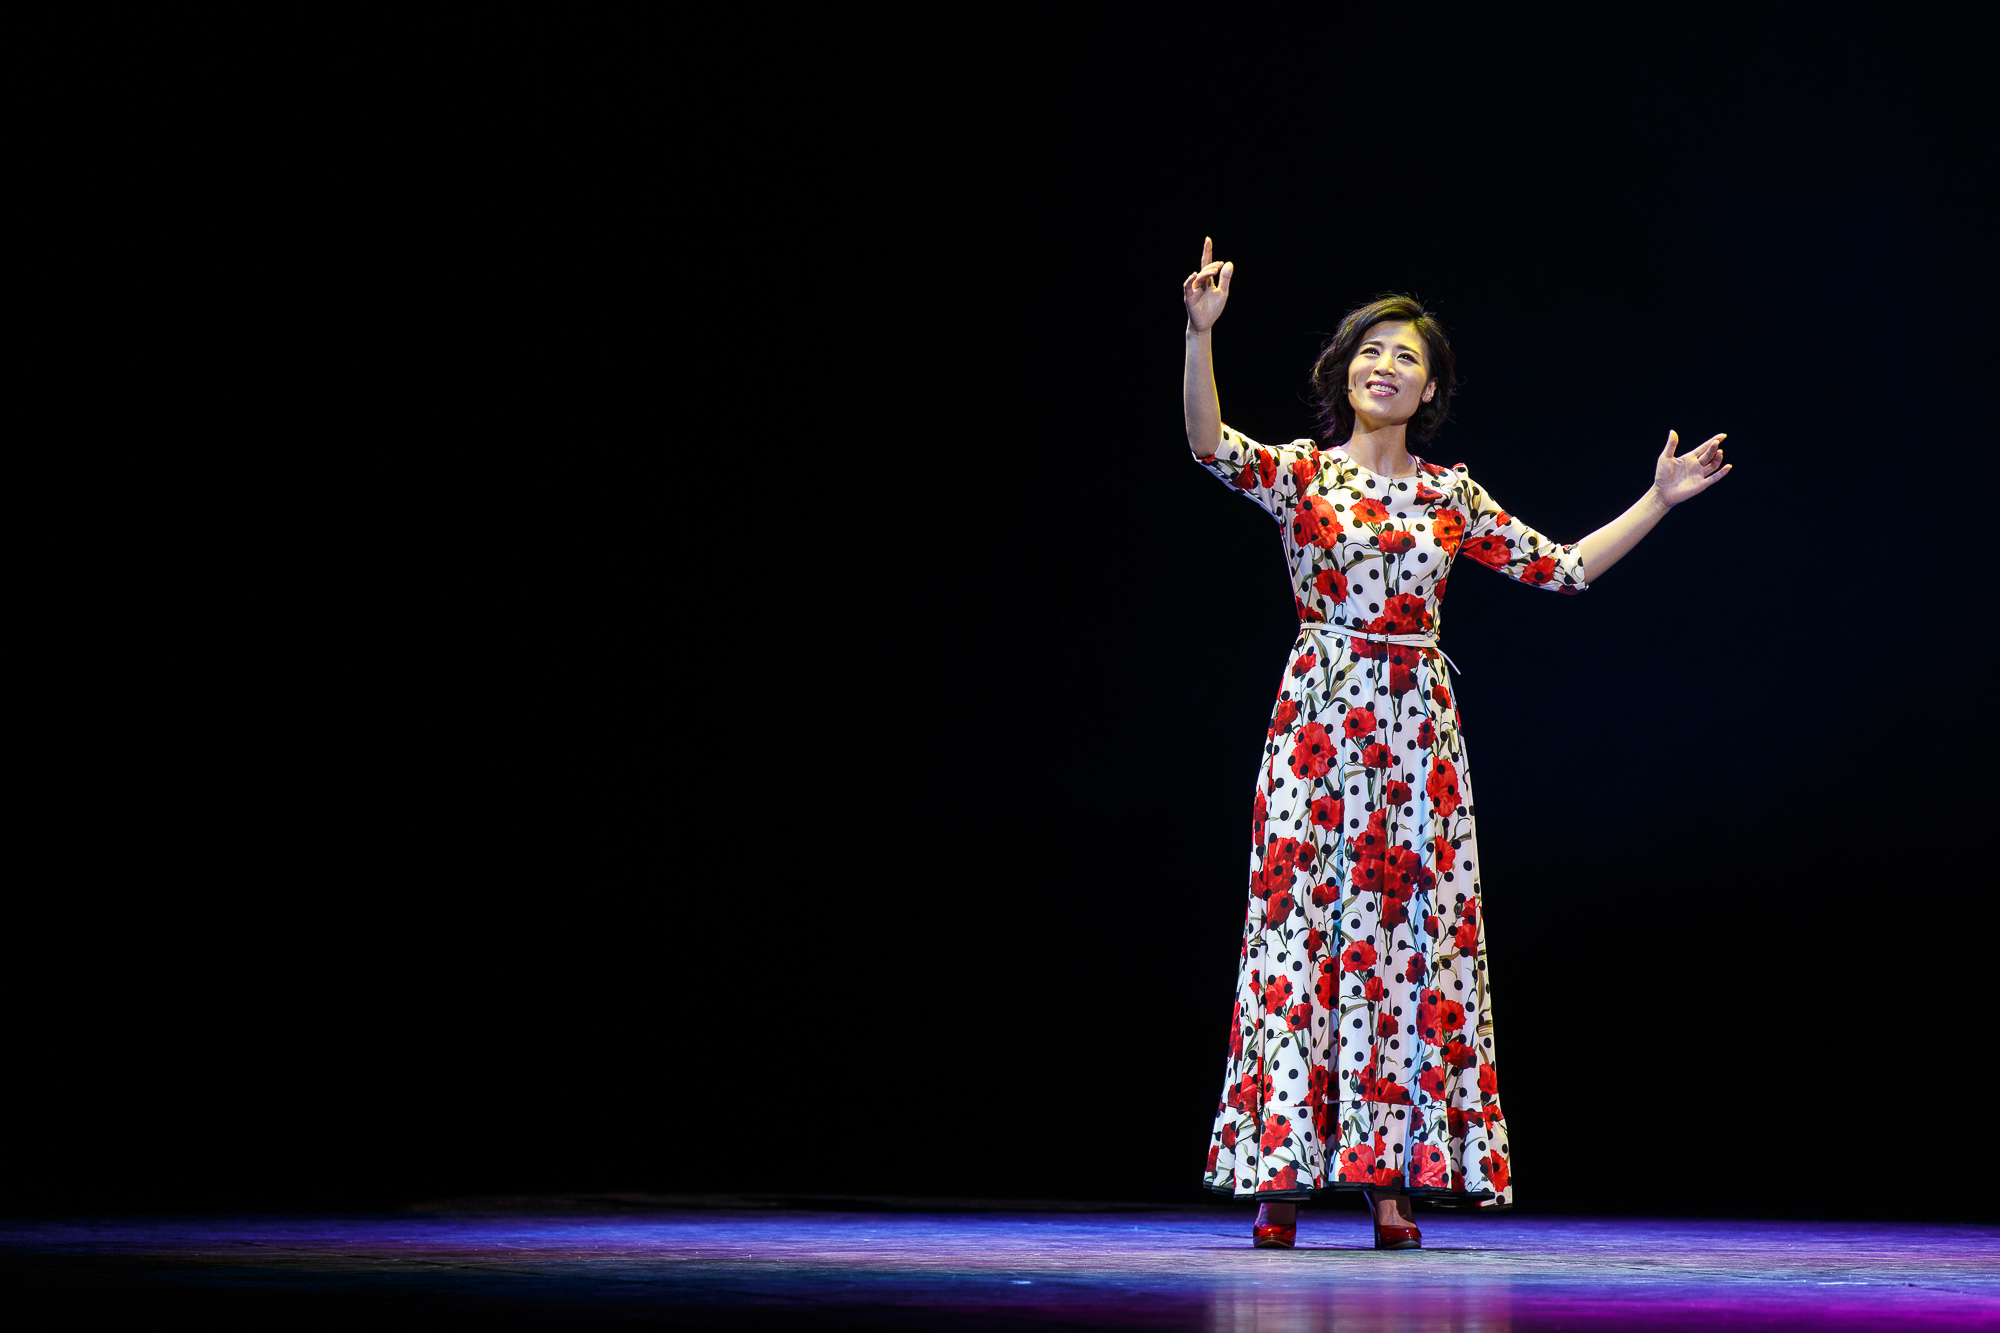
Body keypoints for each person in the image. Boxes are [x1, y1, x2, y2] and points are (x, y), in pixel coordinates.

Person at [1182, 238, 1729, 1251]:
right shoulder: (1302, 475)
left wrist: (1656, 499)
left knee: (1406, 945)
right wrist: (1199, 333)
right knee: (1298, 937)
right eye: (1369, 350)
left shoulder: (1449, 495)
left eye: (1405, 356)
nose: (1383, 365)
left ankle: (1389, 1178)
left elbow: (1562, 568)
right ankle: (1280, 1175)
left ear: (1429, 388)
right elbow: (1210, 446)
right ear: (1343, 371)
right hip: (1318, 726)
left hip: (1415, 742)